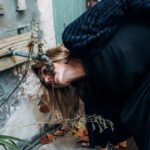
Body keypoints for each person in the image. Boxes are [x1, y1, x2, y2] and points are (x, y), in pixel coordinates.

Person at [32, 0, 150, 149]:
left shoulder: (76, 38)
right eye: (47, 83)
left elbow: (122, 2)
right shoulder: (93, 93)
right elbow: (109, 125)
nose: (49, 79)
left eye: (45, 72)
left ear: (54, 59)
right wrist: (97, 137)